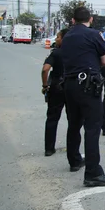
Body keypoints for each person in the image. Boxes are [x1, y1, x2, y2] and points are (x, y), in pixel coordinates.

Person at [61, 6, 105, 187]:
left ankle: (74, 160)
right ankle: (93, 172)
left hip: (69, 85)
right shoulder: (94, 35)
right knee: (92, 128)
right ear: (91, 19)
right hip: (88, 85)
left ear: (73, 20)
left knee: (74, 124)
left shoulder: (67, 36)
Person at [41, 28, 69, 156]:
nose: (56, 39)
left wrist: (45, 85)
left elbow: (45, 69)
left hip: (56, 86)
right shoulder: (75, 53)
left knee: (52, 118)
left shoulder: (56, 53)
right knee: (74, 120)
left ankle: (49, 148)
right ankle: (73, 147)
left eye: (58, 37)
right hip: (71, 86)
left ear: (64, 39)